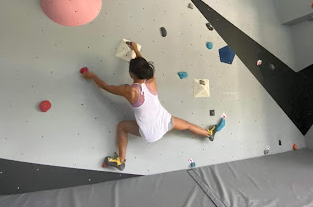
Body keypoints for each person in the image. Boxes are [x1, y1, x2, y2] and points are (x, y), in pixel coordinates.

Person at [82, 41, 218, 171]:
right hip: (165, 123)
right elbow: (145, 66)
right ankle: (208, 134)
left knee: (122, 126)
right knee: (187, 125)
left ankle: (121, 160)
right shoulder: (152, 81)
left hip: (149, 134)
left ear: (131, 74)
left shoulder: (130, 91)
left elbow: (106, 87)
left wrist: (92, 76)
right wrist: (135, 50)